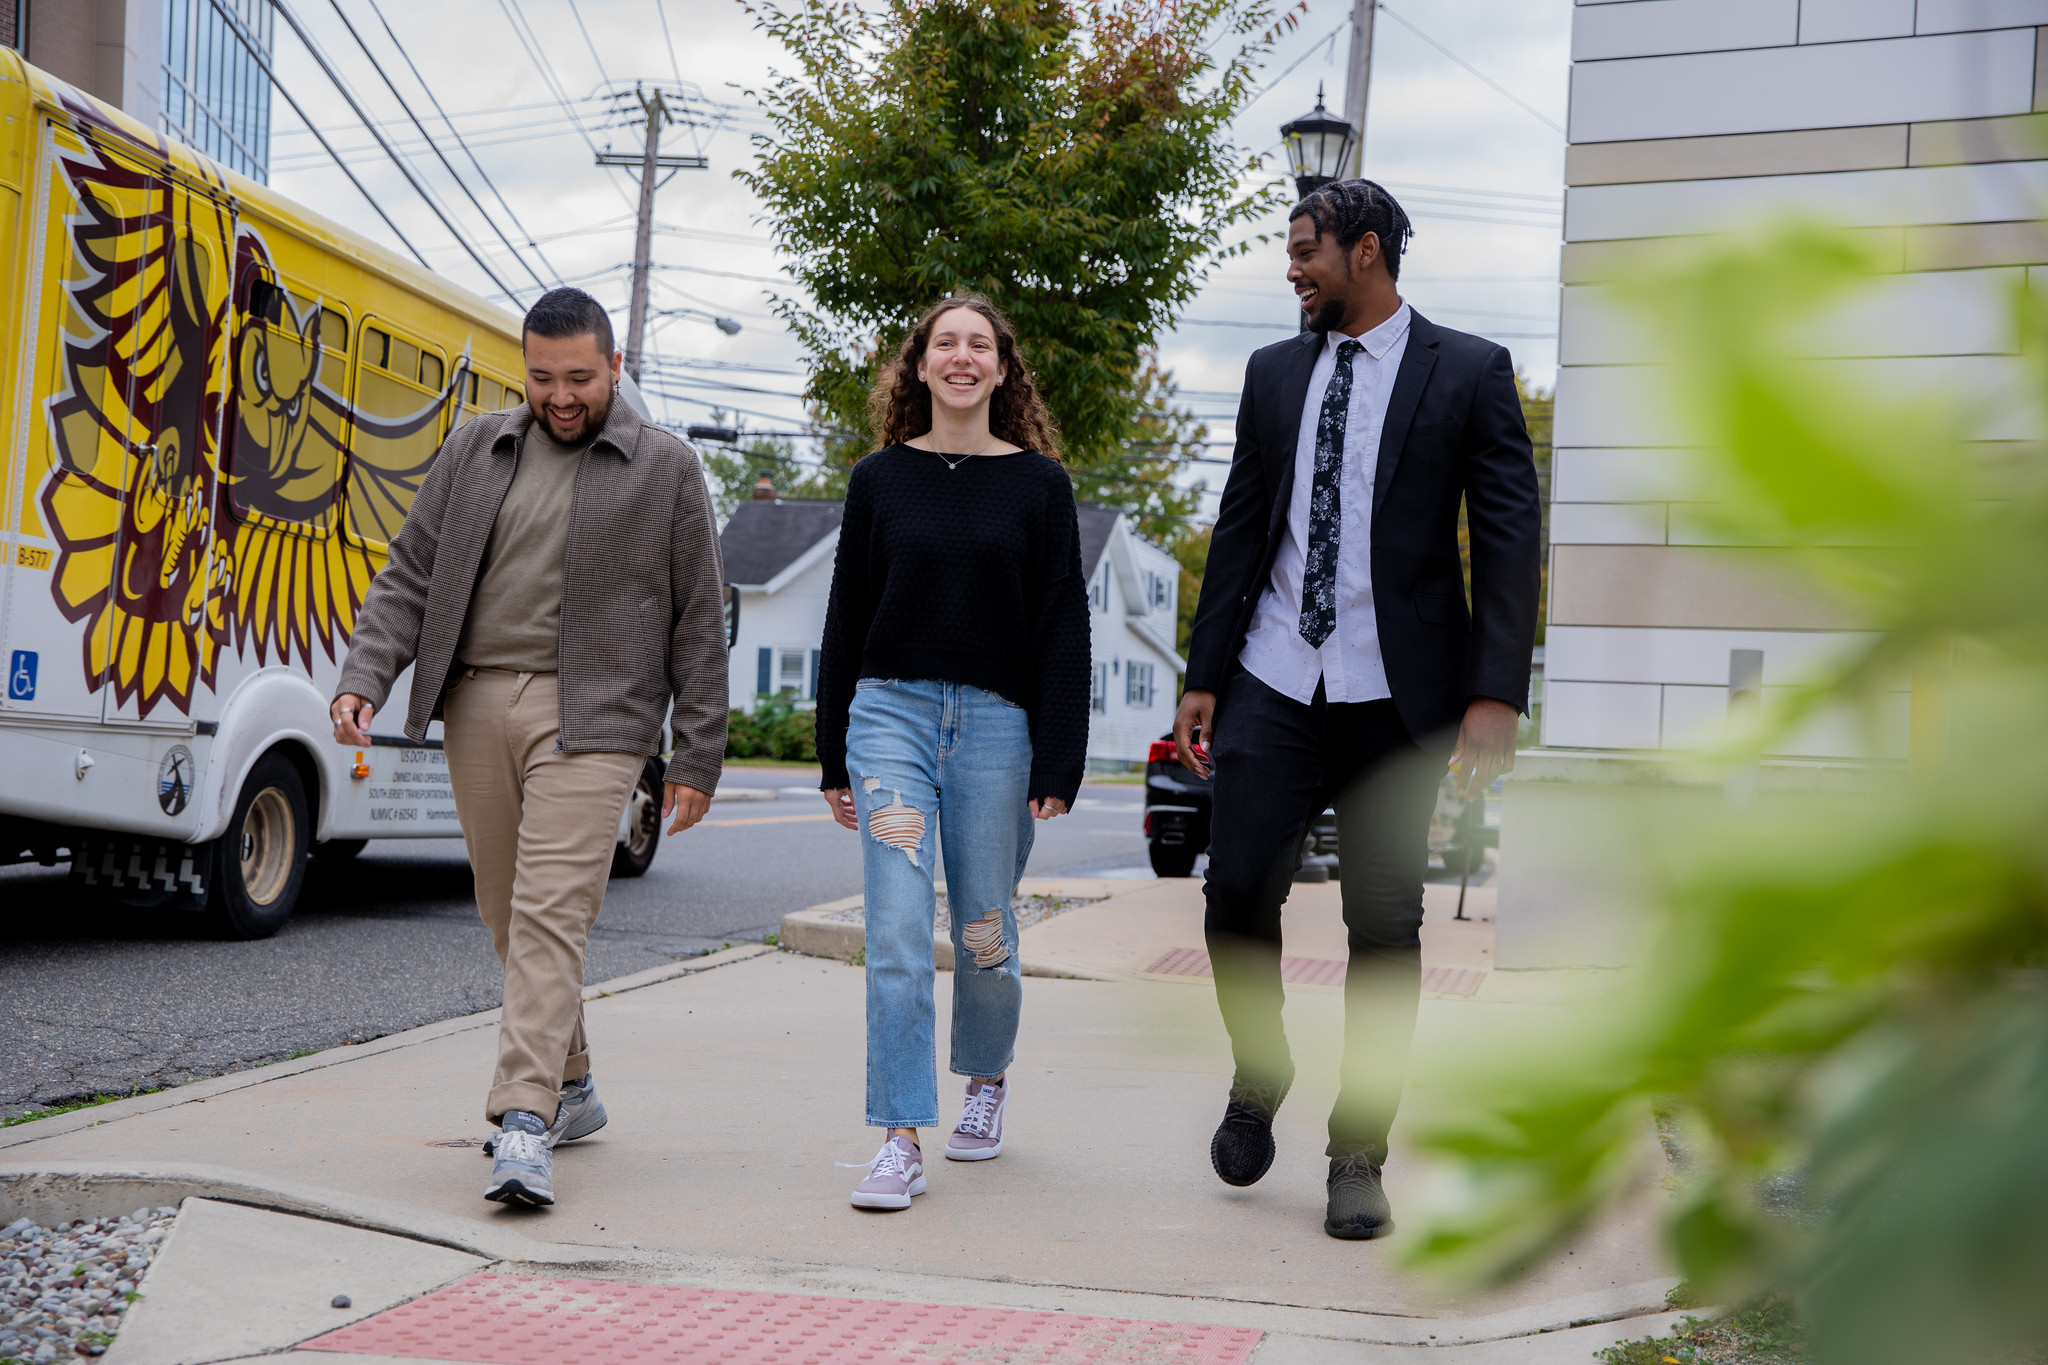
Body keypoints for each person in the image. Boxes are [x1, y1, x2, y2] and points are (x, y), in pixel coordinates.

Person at [1174, 181, 1540, 1240]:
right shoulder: (1271, 372)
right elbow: (1242, 523)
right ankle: (1260, 1070)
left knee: (1382, 926)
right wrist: (1205, 672)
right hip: (1275, 677)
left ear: (1365, 253)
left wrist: (1492, 696)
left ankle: (1358, 1151)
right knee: (1235, 890)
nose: (1291, 269)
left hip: (1399, 694)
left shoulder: (1467, 372)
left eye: (1305, 252)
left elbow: (1508, 537)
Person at [330, 287, 729, 1208]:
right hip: (475, 699)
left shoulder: (664, 467)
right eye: (543, 377)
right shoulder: (478, 445)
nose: (560, 396)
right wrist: (366, 674)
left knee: (552, 913)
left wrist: (698, 753)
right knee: (507, 911)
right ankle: (575, 1085)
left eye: (580, 378)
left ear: (615, 368)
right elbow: (411, 570)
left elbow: (699, 621)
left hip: (597, 716)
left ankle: (522, 1120)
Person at [814, 294, 1090, 1212]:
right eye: (946, 343)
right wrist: (827, 754)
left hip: (998, 728)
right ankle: (899, 1135)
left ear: (1003, 370)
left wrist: (1060, 758)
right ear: (920, 366)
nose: (963, 357)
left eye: (981, 345)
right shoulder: (878, 479)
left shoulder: (1041, 486)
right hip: (889, 714)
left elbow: (1062, 627)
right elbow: (846, 618)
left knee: (985, 930)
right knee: (894, 928)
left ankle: (987, 1077)